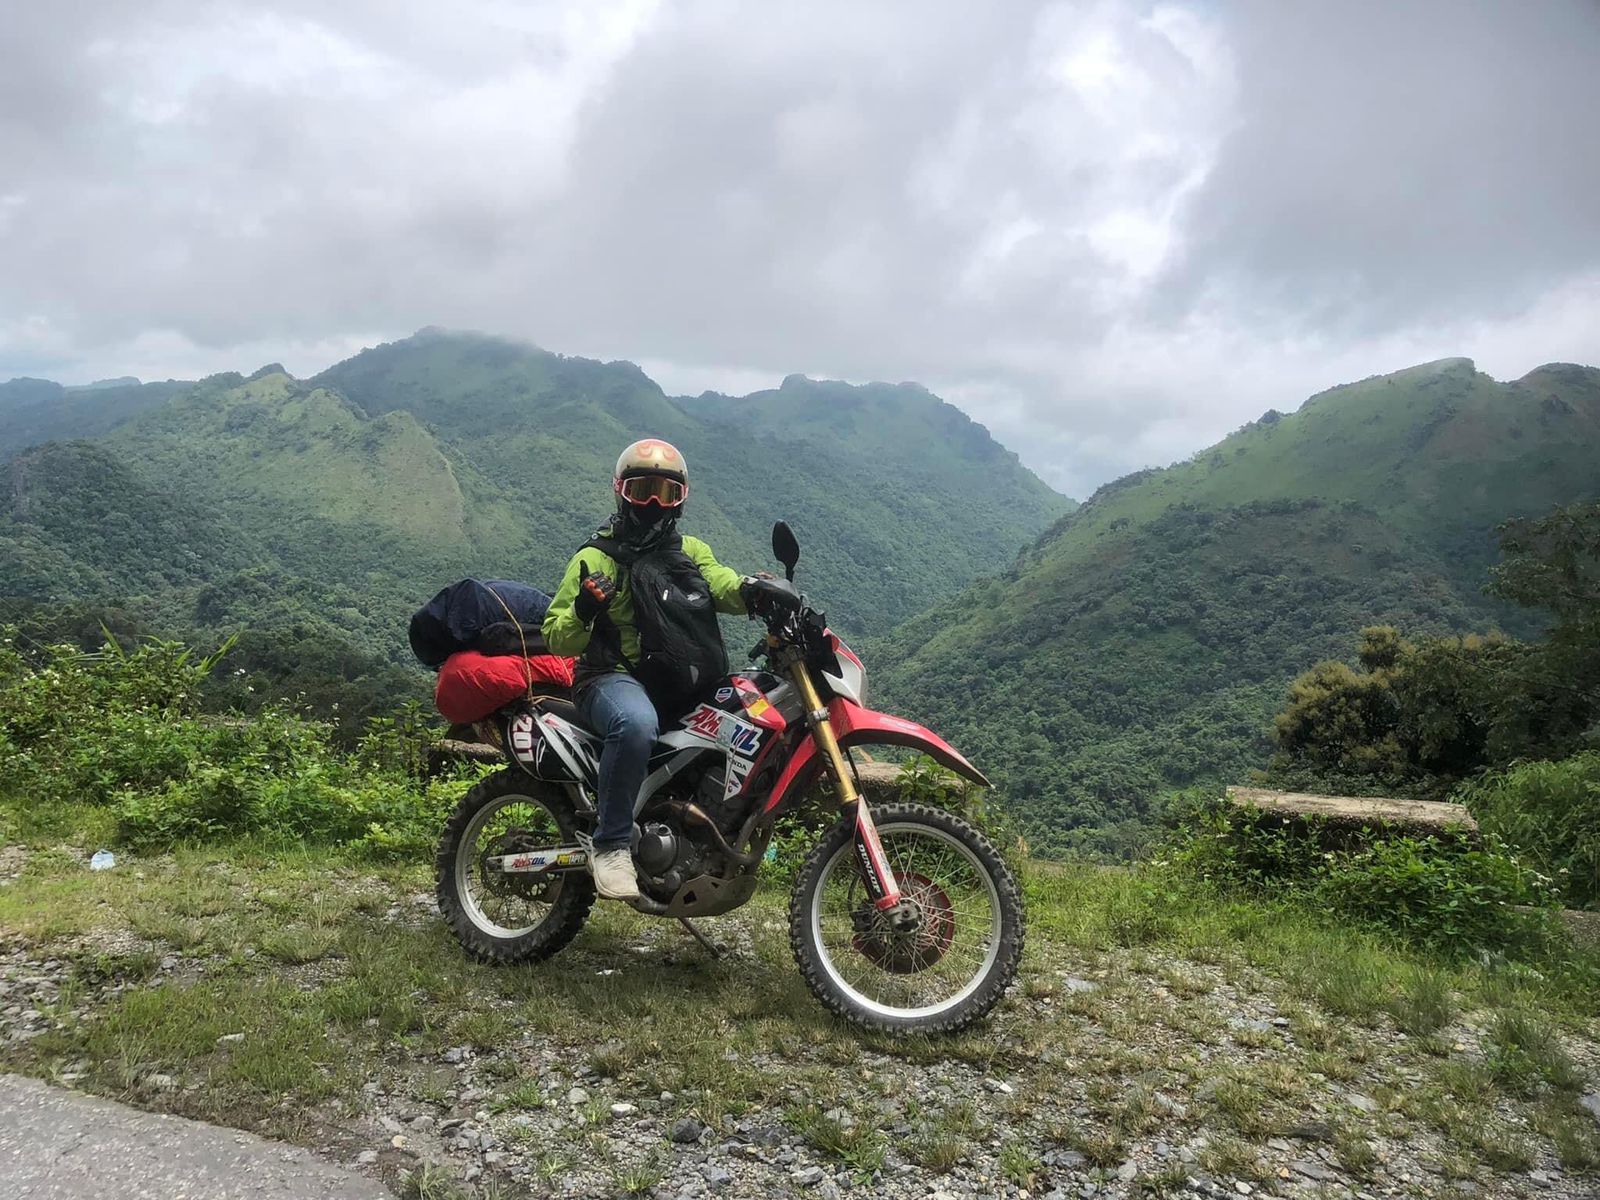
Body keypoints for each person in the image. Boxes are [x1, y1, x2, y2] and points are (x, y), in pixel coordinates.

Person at [542, 438, 756, 900]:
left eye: (665, 491)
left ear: (680, 498)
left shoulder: (691, 551)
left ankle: (701, 834)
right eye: (643, 491)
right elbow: (559, 637)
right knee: (635, 723)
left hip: (675, 680)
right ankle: (612, 845)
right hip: (608, 679)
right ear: (622, 492)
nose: (654, 503)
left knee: (749, 713)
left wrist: (759, 592)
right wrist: (583, 608)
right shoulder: (595, 558)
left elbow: (723, 584)